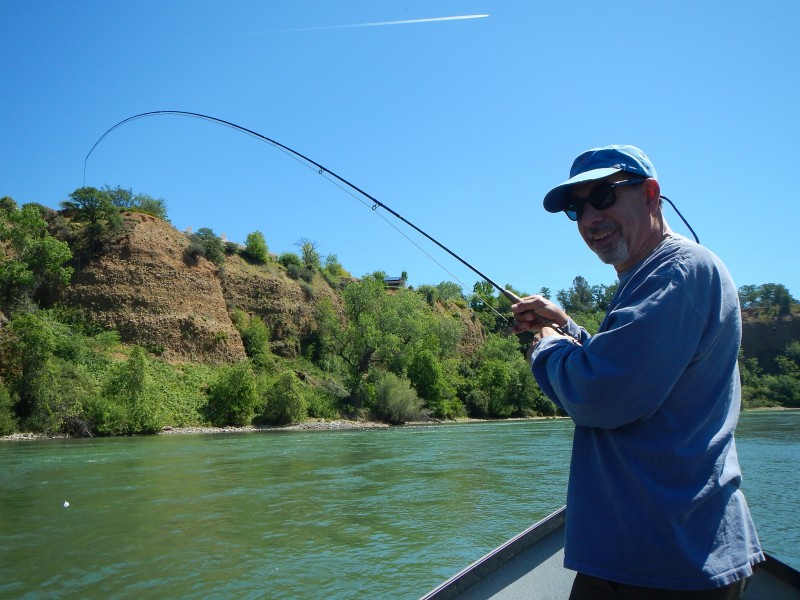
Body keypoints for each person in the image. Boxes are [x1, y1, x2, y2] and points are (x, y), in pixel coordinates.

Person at [510, 145, 764, 599]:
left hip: (672, 562)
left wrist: (545, 347)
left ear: (650, 194)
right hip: (640, 555)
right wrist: (566, 326)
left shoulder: (678, 273)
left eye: (603, 196)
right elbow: (626, 366)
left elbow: (601, 394)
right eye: (576, 208)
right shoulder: (654, 277)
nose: (590, 218)